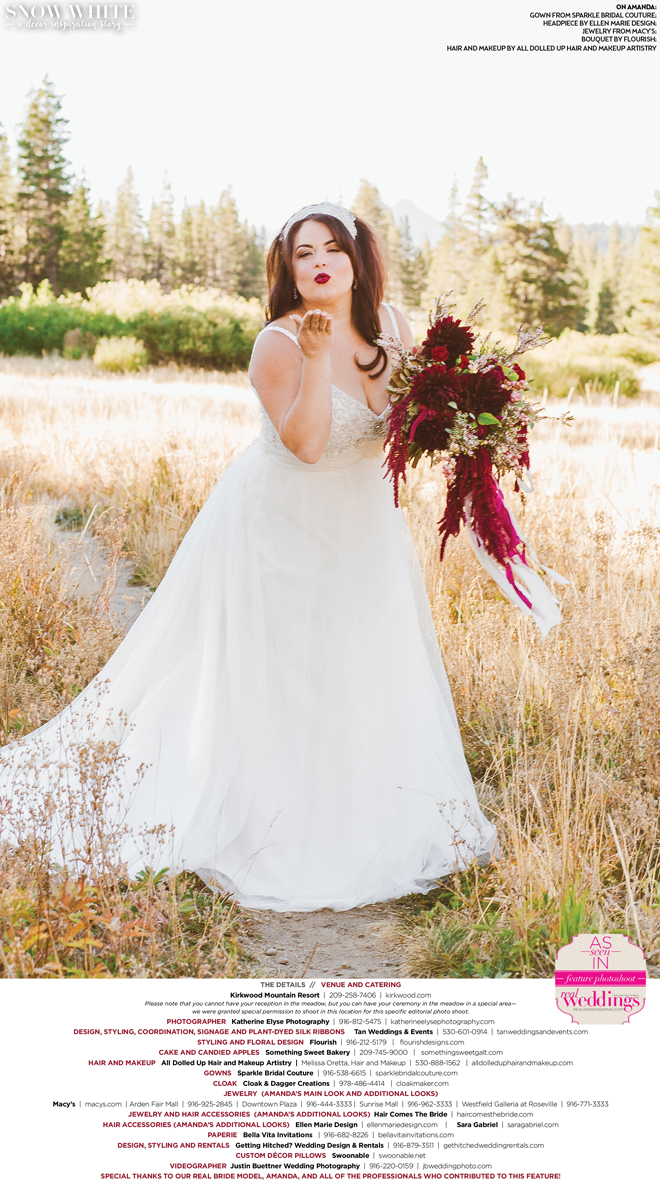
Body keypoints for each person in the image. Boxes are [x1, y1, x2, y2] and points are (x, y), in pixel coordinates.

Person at [2, 202, 497, 912]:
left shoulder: (394, 325)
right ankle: (273, 820)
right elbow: (308, 445)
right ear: (287, 270)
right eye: (303, 253)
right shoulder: (279, 343)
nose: (319, 263)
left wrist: (464, 427)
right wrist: (318, 357)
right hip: (281, 523)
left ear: (358, 261)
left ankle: (364, 807)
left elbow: (403, 425)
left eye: (333, 249)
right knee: (282, 666)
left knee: (363, 656)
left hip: (365, 522)